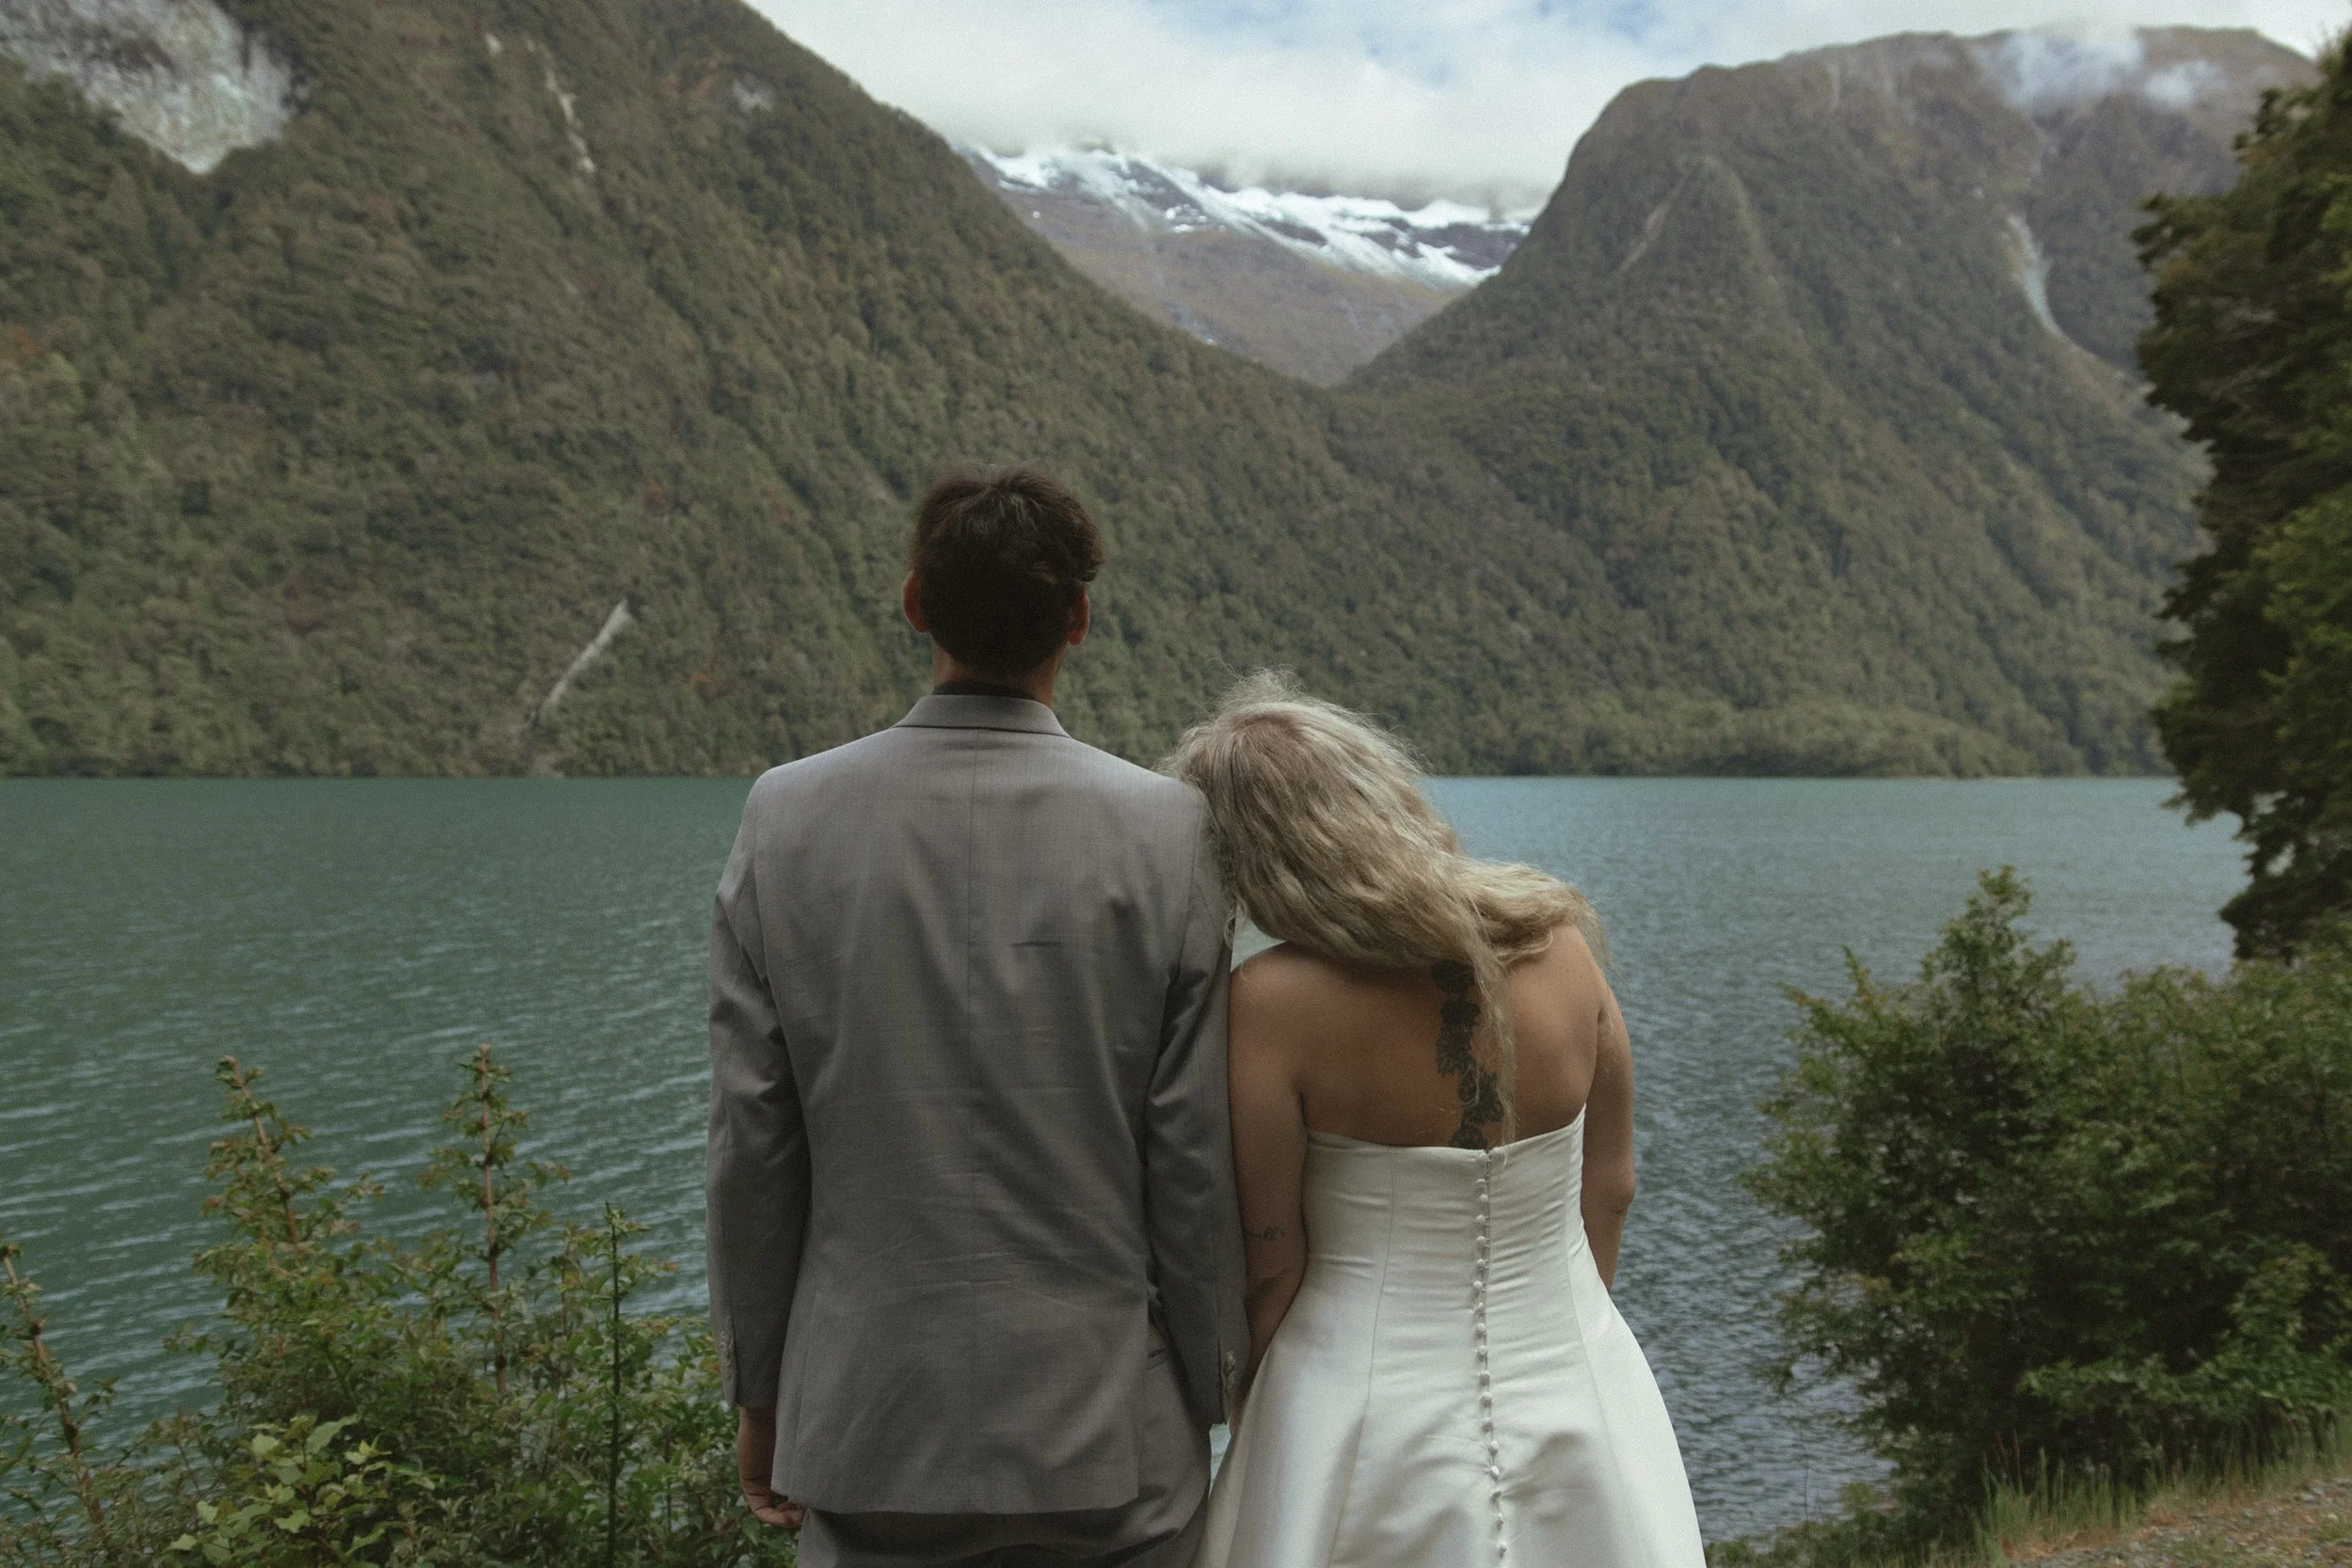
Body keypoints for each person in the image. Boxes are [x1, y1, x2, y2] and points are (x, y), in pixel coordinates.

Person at [704, 466, 1246, 1568]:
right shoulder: (1168, 831)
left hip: (866, 1429)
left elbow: (753, 1150)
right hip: (1110, 1435)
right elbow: (1189, 1163)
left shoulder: (785, 816)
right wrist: (1217, 1385)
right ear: (1080, 620)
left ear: (914, 604)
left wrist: (761, 1390)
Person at [1165, 673, 1707, 1568]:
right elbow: (1611, 1188)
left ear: (1252, 859)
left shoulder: (1269, 1005)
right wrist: (1571, 1338)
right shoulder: (1561, 942)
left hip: (1351, 1413)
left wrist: (1256, 1420)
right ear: (1386, 794)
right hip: (1576, 1383)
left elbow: (1274, 1260)